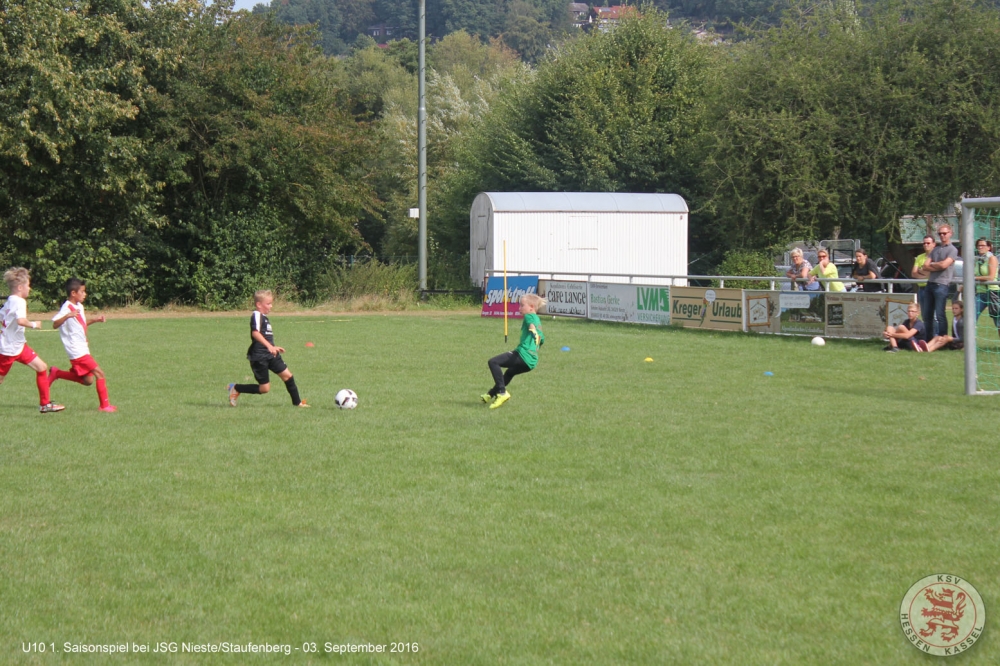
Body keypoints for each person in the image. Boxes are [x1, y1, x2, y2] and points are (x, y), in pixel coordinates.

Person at [228, 289, 309, 408]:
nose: (271, 306)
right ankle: (236, 388)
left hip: (271, 354)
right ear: (259, 304)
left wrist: (273, 347)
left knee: (288, 376)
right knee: (264, 389)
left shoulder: (264, 317)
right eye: (268, 303)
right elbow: (255, 333)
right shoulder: (256, 315)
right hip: (259, 356)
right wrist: (269, 346)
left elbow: (265, 336)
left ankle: (298, 403)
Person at [0, 267, 64, 413]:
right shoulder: (19, 302)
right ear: (20, 287)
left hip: (18, 346)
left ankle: (45, 405)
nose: (30, 288)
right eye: (28, 285)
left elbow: (1, 316)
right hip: (9, 349)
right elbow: (21, 321)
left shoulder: (10, 300)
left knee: (41, 367)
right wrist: (34, 324)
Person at [48, 278, 117, 412]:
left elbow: (81, 324)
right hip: (76, 351)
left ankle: (57, 373)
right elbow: (55, 324)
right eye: (82, 292)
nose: (85, 294)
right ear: (73, 293)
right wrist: (67, 316)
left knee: (88, 381)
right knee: (99, 373)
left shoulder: (79, 306)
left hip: (83, 348)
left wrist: (95, 320)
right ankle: (104, 406)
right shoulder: (67, 307)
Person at [482, 293, 546, 409]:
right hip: (531, 362)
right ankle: (490, 394)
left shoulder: (529, 316)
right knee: (509, 373)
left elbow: (531, 324)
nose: (519, 308)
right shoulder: (538, 320)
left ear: (531, 307)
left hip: (523, 355)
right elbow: (542, 339)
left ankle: (502, 393)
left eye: (522, 305)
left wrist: (533, 330)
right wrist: (536, 336)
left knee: (493, 362)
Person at [922, 225, 958, 337]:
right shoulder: (935, 249)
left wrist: (933, 264)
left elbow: (944, 265)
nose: (942, 235)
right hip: (930, 284)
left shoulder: (952, 250)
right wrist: (938, 265)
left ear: (950, 233)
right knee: (927, 315)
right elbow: (925, 266)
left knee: (940, 314)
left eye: (944, 233)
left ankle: (943, 338)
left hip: (942, 285)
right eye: (940, 233)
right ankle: (928, 339)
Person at [973, 238, 1000, 339]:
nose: (980, 247)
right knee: (971, 316)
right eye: (978, 245)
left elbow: (991, 277)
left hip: (992, 292)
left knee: (998, 320)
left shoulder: (992, 258)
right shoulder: (978, 260)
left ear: (989, 247)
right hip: (980, 293)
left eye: (983, 245)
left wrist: (974, 278)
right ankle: (968, 343)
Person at [911, 236, 934, 327]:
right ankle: (927, 334)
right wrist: (925, 274)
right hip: (922, 289)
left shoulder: (937, 257)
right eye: (924, 243)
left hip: (932, 288)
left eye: (928, 243)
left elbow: (934, 273)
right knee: (925, 315)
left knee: (935, 315)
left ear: (934, 244)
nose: (925, 245)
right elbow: (913, 273)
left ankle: (936, 334)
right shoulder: (919, 257)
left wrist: (922, 272)